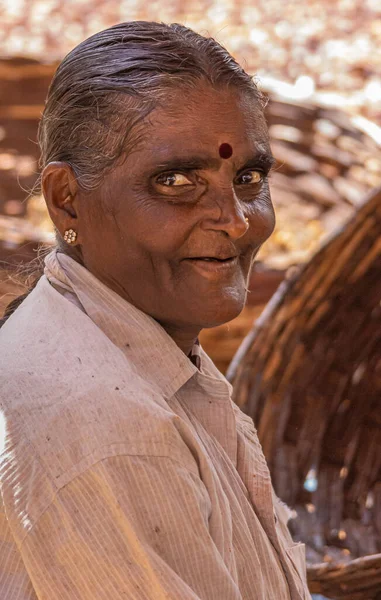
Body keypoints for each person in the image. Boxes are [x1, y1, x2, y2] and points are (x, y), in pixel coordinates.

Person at [0, 21, 311, 600]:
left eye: (248, 177)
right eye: (175, 181)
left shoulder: (140, 348)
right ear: (67, 199)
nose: (237, 220)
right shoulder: (109, 434)